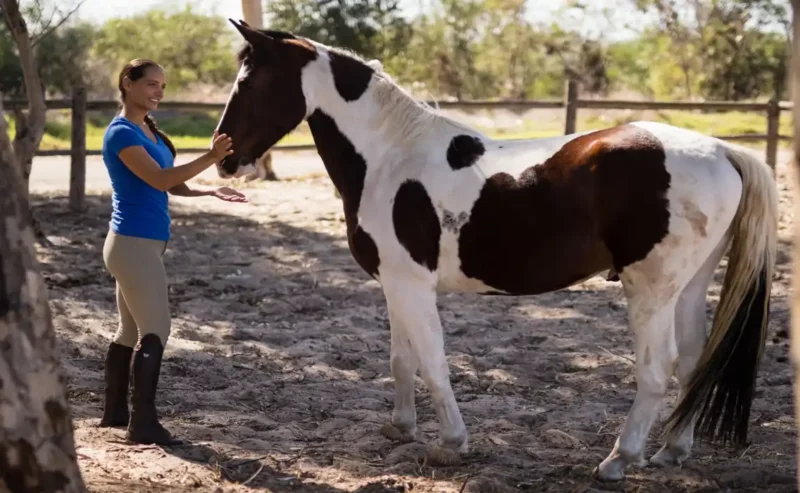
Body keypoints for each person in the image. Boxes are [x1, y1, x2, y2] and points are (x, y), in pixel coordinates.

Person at [98, 58, 246, 445]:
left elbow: (169, 185)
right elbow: (159, 178)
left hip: (142, 244)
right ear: (127, 84)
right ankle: (142, 424)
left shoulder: (149, 130)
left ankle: (115, 413)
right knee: (156, 329)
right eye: (150, 84)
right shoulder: (121, 134)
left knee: (129, 329)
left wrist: (209, 189)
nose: (158, 92)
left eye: (162, 86)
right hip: (132, 245)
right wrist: (211, 159)